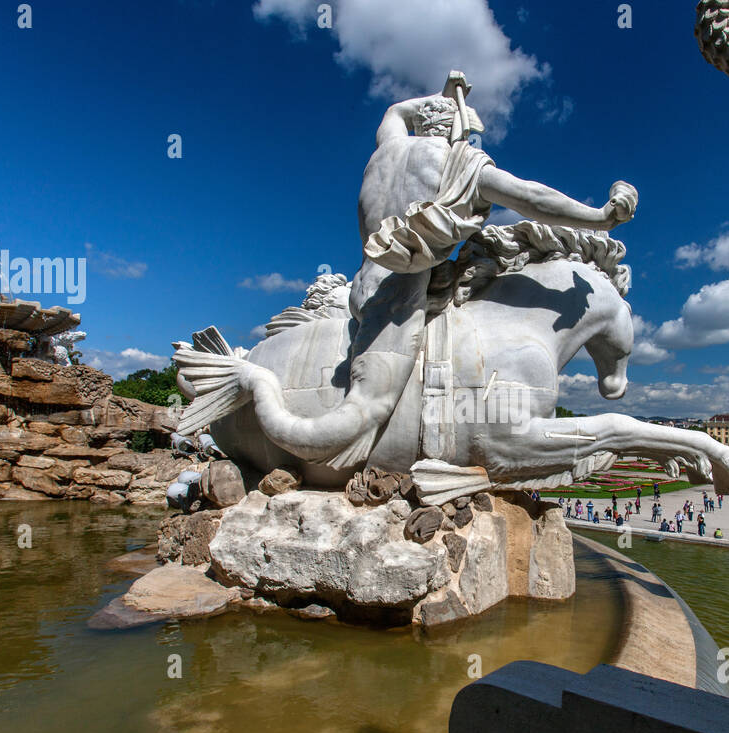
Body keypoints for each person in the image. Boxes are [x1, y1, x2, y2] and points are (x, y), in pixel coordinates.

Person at [182, 71, 636, 469]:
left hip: (363, 286)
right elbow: (534, 200)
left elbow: (395, 111)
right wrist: (599, 218)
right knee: (362, 414)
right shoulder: (461, 165)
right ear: (455, 130)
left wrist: (439, 96)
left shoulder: (388, 147)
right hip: (398, 302)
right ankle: (262, 392)